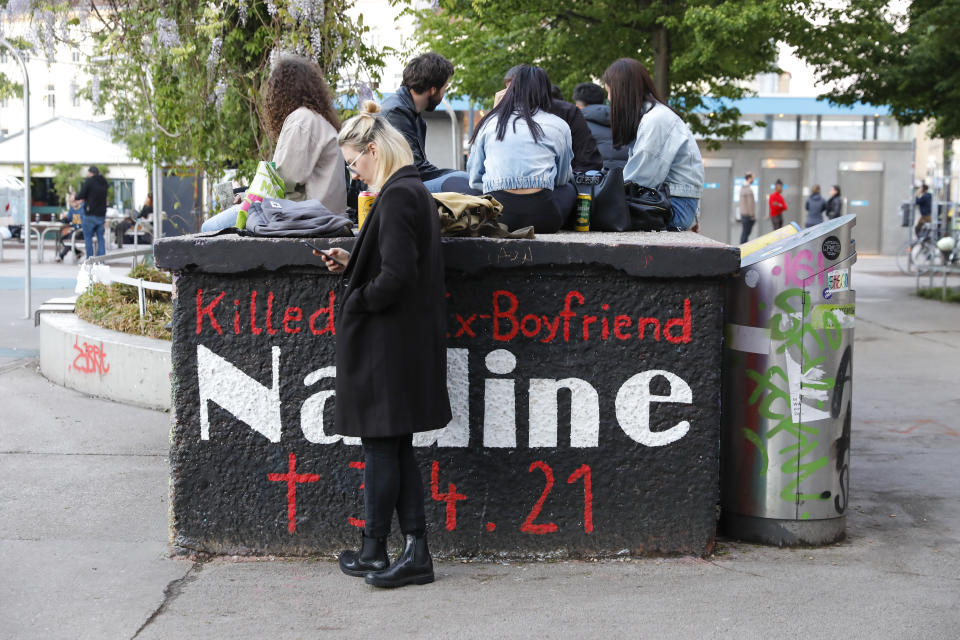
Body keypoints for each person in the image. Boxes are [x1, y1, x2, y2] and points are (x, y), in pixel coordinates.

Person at [316, 101, 450, 589]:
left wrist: (357, 301)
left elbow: (396, 275)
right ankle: (397, 549)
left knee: (381, 447)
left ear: (373, 150)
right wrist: (351, 261)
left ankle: (391, 550)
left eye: (354, 164)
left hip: (388, 344)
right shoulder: (410, 191)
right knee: (394, 447)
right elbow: (394, 261)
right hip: (403, 342)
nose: (354, 176)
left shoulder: (395, 198)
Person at [202, 55, 348, 231]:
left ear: (282, 92)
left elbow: (280, 180)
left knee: (209, 227)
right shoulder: (320, 120)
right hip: (323, 214)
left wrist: (247, 197)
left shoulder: (301, 120)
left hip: (307, 217)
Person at [467, 65, 575, 234]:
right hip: (545, 220)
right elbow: (562, 179)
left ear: (510, 90)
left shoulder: (489, 123)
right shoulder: (559, 126)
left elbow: (474, 179)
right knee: (570, 189)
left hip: (498, 218)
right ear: (545, 90)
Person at [602, 58, 704, 230]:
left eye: (610, 92)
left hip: (675, 207)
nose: (609, 99)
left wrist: (604, 196)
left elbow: (639, 179)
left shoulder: (656, 120)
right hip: (674, 202)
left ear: (622, 92)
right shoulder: (653, 117)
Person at [381, 52, 475, 193]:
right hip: (391, 190)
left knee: (463, 180)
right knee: (464, 182)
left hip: (402, 185)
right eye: (445, 88)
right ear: (433, 90)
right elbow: (413, 168)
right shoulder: (396, 112)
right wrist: (456, 176)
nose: (443, 94)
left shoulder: (410, 113)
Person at [502, 66, 602, 173]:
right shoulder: (504, 117)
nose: (513, 97)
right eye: (509, 93)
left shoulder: (567, 112)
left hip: (562, 181)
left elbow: (587, 158)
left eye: (516, 91)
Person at [573, 82, 628, 170]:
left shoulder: (576, 125)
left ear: (578, 106)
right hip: (628, 177)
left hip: (595, 179)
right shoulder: (626, 120)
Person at [72, 165, 109, 257]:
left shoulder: (90, 181)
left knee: (88, 237)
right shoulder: (104, 183)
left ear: (90, 173)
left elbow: (82, 194)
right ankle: (101, 258)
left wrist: (75, 198)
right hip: (101, 215)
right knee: (100, 237)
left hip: (90, 215)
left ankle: (89, 259)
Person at [738, 172, 756, 243]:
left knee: (744, 233)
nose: (753, 180)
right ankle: (742, 249)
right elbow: (750, 204)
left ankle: (741, 248)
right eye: (752, 178)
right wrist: (752, 215)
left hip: (743, 215)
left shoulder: (742, 188)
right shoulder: (748, 189)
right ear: (749, 178)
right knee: (745, 234)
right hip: (748, 216)